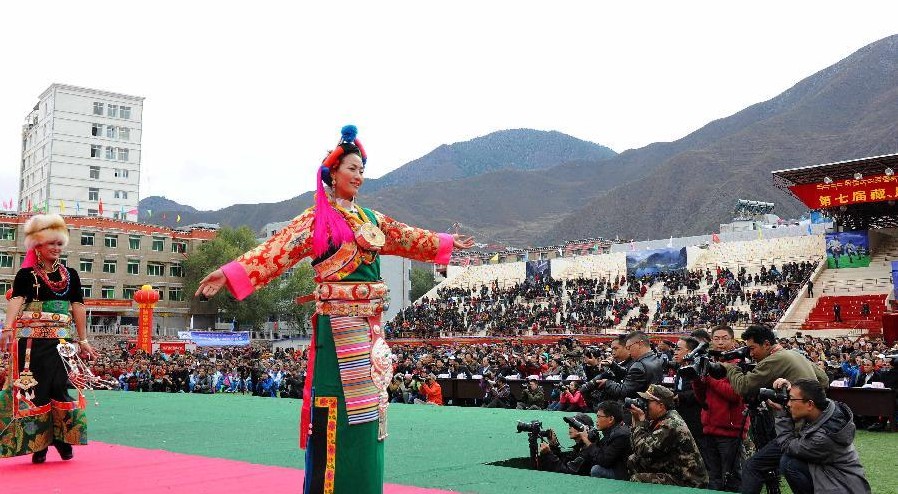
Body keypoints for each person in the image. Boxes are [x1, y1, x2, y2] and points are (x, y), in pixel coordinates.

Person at [194, 125, 474, 494]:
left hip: (371, 332)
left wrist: (447, 242)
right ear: (332, 174)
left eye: (361, 170)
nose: (358, 176)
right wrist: (228, 273)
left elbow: (408, 236)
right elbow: (273, 252)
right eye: (352, 169)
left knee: (371, 413)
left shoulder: (372, 220)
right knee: (339, 414)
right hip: (337, 330)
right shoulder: (316, 219)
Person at [1, 214, 98, 463]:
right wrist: (8, 329)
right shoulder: (26, 276)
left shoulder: (71, 275)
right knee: (35, 391)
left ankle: (64, 440)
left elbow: (77, 306)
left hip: (61, 345)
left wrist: (83, 339)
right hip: (31, 344)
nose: (56, 249)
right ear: (38, 246)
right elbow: (16, 301)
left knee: (59, 388)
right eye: (50, 244)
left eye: (59, 244)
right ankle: (39, 444)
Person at [711, 324, 829, 494]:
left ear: (766, 344)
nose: (751, 354)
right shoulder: (794, 354)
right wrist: (791, 394)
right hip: (814, 427)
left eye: (753, 348)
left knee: (754, 466)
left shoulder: (774, 359)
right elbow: (823, 380)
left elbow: (744, 387)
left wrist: (729, 368)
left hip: (798, 430)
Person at [770, 378, 871, 494]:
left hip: (845, 488)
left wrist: (781, 414)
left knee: (788, 463)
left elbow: (787, 445)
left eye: (791, 399)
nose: (788, 404)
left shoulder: (822, 438)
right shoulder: (828, 409)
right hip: (849, 483)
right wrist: (788, 388)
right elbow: (810, 395)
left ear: (809, 404)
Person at [693, 325, 749, 491]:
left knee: (732, 477)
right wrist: (697, 379)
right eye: (716, 338)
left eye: (724, 338)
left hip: (730, 430)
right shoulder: (710, 361)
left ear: (733, 341)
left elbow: (734, 394)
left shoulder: (739, 364)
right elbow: (701, 398)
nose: (720, 342)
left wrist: (709, 377)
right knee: (714, 477)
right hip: (710, 428)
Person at [627, 384, 708, 488]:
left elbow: (643, 450)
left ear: (661, 406)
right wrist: (636, 420)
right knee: (634, 460)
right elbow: (636, 449)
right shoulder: (659, 418)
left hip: (688, 481)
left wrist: (640, 422)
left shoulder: (671, 424)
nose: (645, 405)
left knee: (637, 479)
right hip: (672, 469)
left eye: (648, 402)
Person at [595, 331, 663, 399]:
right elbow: (630, 375)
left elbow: (623, 392)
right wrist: (613, 365)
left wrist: (607, 383)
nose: (629, 352)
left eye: (629, 347)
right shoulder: (654, 358)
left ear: (640, 344)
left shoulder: (639, 365)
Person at [587, 400, 631, 480]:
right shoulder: (612, 431)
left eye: (599, 417)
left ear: (611, 419)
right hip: (615, 468)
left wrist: (588, 443)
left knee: (597, 470)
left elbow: (604, 461)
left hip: (623, 475)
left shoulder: (621, 435)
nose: (596, 420)